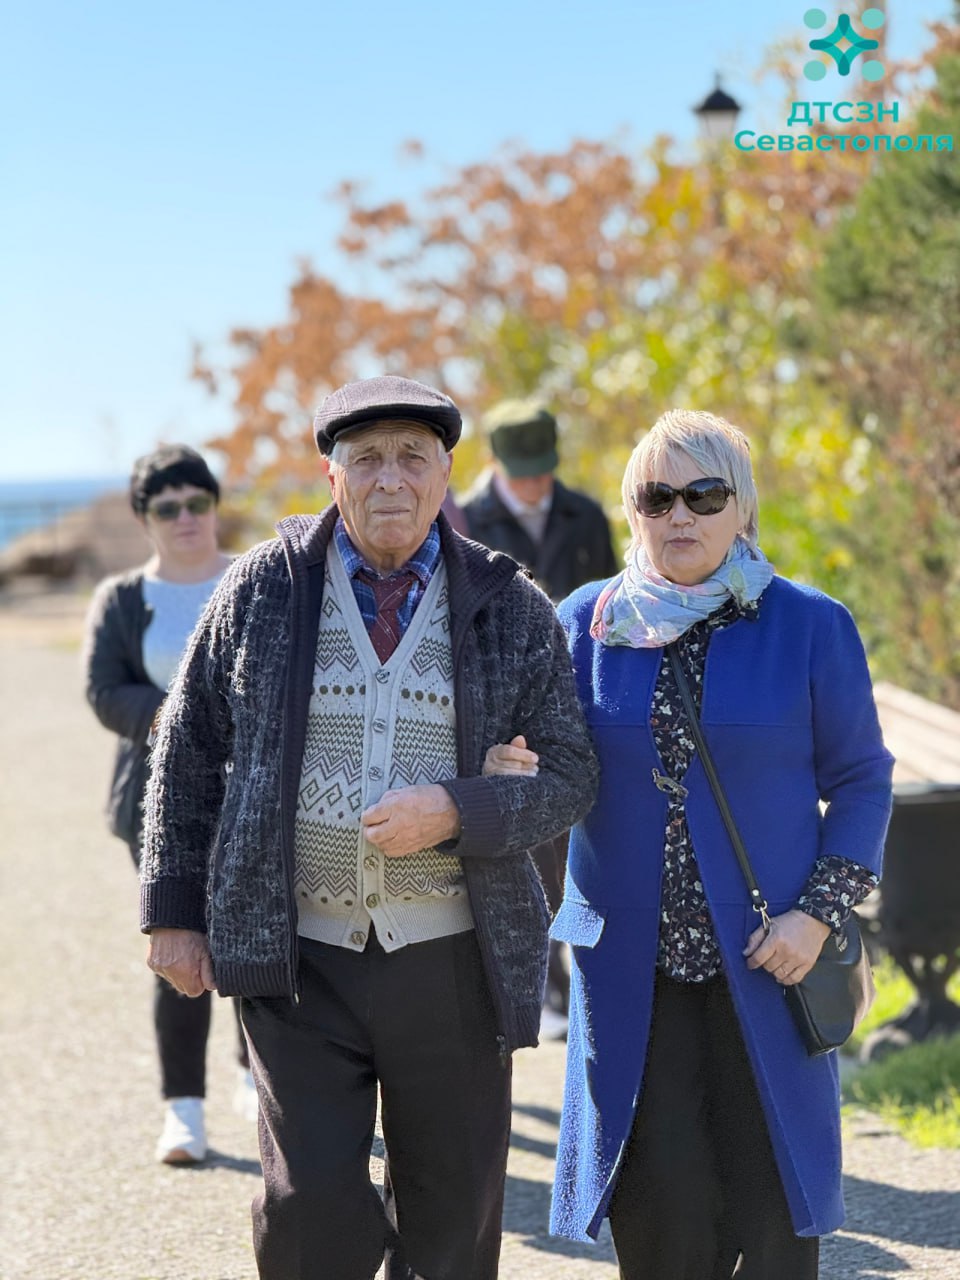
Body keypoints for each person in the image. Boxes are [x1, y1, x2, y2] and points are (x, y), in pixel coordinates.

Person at [139, 376, 598, 1280]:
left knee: (451, 1218)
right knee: (309, 1210)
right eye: (368, 458)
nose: (391, 478)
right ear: (332, 475)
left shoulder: (510, 605)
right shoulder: (261, 589)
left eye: (412, 458)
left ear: (445, 475)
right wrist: (173, 912)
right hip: (300, 958)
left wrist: (459, 810)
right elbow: (185, 748)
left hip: (455, 962)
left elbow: (573, 774)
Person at [495, 409, 894, 1278]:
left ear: (740, 507)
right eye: (657, 497)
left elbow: (863, 780)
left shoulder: (809, 624)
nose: (680, 515)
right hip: (633, 977)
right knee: (660, 1225)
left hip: (770, 964)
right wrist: (507, 771)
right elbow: (548, 775)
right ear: (632, 510)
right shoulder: (584, 623)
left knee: (773, 1217)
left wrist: (816, 917)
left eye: (704, 495)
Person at [83, 444, 256, 1165]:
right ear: (144, 519)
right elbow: (104, 691)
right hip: (158, 804)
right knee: (179, 938)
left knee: (260, 933)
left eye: (198, 502)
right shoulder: (124, 600)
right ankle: (183, 1111)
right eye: (168, 507)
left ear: (214, 506)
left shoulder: (256, 580)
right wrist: (180, 718)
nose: (186, 518)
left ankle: (258, 1075)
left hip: (254, 795)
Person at [462, 398, 619, 1029]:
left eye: (542, 470)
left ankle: (574, 973)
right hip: (503, 700)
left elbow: (613, 604)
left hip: (579, 697)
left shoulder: (586, 515)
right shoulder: (465, 520)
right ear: (495, 461)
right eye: (521, 472)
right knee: (526, 838)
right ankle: (544, 982)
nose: (534, 484)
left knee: (580, 829)